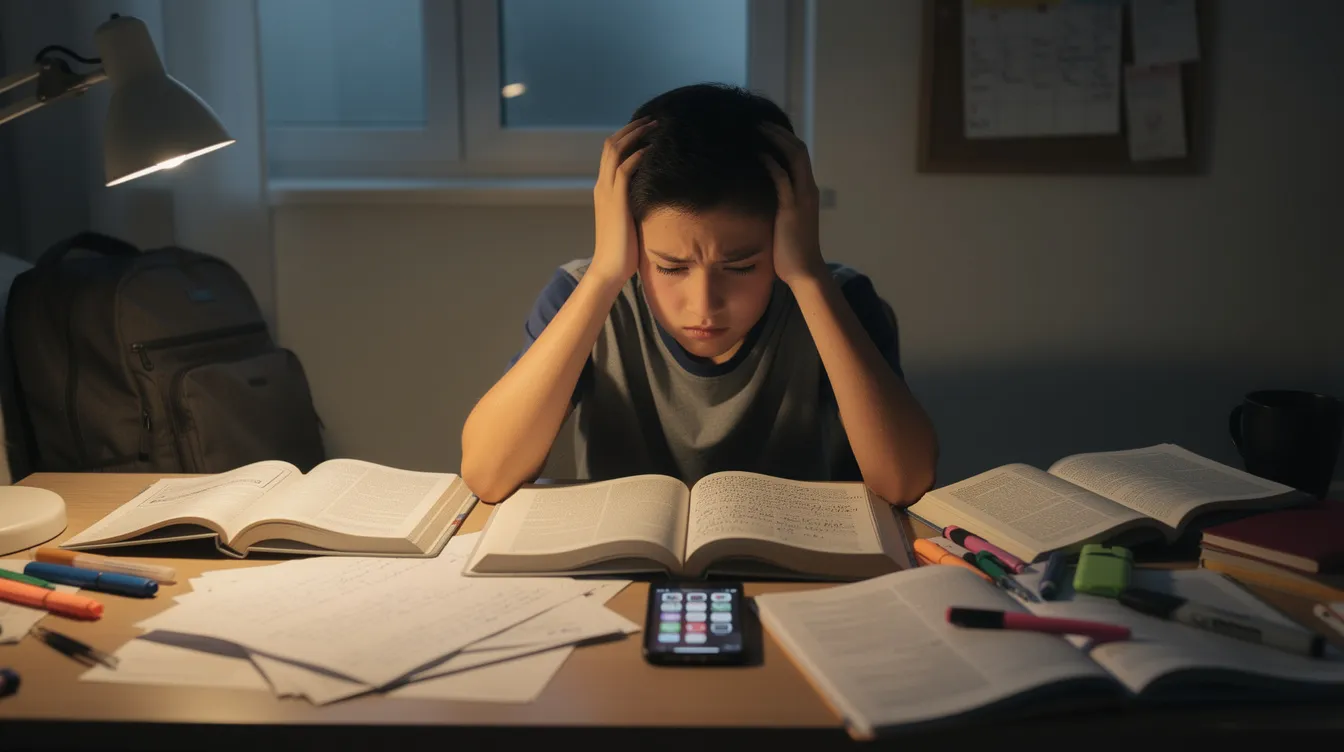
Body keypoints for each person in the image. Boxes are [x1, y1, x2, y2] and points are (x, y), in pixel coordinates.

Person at [461, 83, 937, 504]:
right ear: (628, 235)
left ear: (786, 235)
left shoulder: (840, 299)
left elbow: (904, 482)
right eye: (670, 267)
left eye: (742, 266)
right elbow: (488, 475)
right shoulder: (580, 293)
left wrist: (809, 275)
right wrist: (605, 274)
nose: (704, 304)